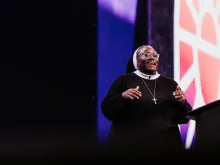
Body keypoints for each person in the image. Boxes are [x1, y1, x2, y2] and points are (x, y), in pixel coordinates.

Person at [100, 45, 192, 158]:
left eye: (155, 55)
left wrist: (182, 103)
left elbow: (183, 118)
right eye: (146, 54)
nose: (152, 58)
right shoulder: (124, 80)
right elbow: (106, 109)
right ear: (136, 59)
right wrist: (122, 97)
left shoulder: (170, 84)